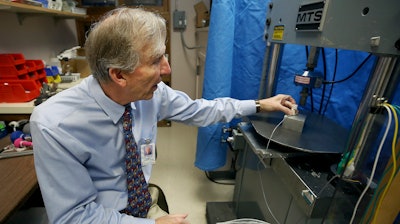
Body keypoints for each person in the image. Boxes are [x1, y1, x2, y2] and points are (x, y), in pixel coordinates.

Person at [30, 7, 297, 224]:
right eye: (156, 60)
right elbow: (73, 217)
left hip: (143, 205)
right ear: (119, 75)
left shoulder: (152, 95)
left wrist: (260, 104)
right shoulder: (55, 124)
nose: (167, 69)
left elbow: (201, 110)